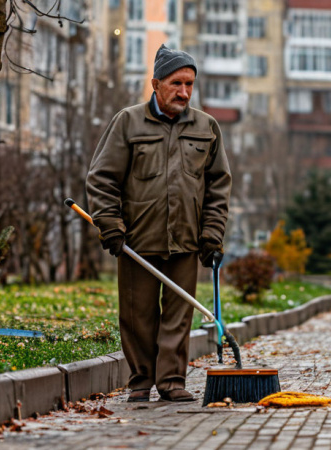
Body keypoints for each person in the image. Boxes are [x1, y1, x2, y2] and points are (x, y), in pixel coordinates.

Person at [86, 45, 232, 402]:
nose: (184, 92)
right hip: (137, 241)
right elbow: (102, 177)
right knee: (138, 317)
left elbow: (218, 186)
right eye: (176, 83)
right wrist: (110, 225)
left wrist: (212, 233)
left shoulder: (206, 127)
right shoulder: (128, 122)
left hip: (186, 239)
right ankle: (140, 382)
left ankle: (171, 383)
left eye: (190, 84)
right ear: (156, 83)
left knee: (178, 317)